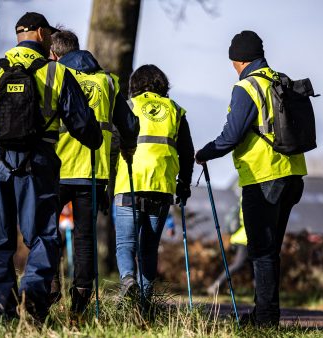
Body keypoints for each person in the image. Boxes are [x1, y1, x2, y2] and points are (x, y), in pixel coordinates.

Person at [0, 12, 102, 321]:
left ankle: (1, 311)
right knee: (43, 234)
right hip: (38, 162)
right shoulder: (56, 73)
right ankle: (33, 295)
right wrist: (95, 137)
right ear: (41, 34)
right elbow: (86, 128)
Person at [195, 30, 307, 327]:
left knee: (262, 251)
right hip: (293, 174)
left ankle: (266, 320)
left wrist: (204, 153)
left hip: (263, 176)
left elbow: (231, 136)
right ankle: (264, 313)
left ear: (238, 60)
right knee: (271, 251)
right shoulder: (279, 79)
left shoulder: (246, 86)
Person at [47, 28, 139, 315]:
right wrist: (127, 148)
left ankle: (50, 286)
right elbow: (129, 125)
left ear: (55, 54)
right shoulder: (108, 81)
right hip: (93, 172)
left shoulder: (53, 76)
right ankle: (80, 306)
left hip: (56, 168)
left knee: (45, 230)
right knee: (86, 238)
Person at [113, 65, 194, 310]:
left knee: (125, 244)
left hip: (130, 183)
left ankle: (128, 279)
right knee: (148, 250)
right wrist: (184, 184)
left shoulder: (128, 106)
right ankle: (144, 305)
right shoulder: (176, 111)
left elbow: (113, 144)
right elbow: (187, 153)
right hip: (161, 187)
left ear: (135, 84)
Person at [206, 204, 250, 296]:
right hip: (244, 239)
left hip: (241, 237)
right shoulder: (251, 197)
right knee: (238, 264)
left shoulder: (245, 197)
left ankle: (261, 295)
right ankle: (216, 285)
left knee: (254, 266)